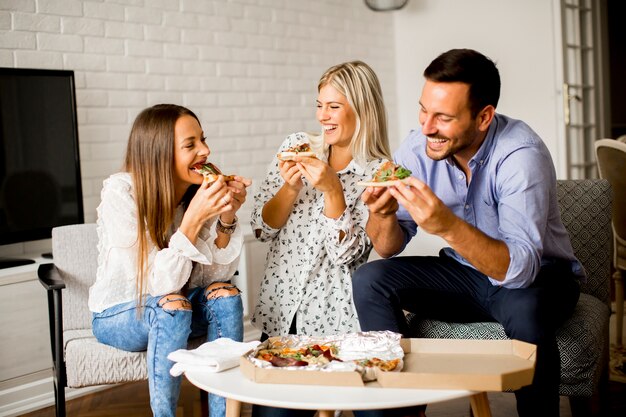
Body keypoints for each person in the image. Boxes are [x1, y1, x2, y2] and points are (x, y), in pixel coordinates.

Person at [352, 48, 583, 417]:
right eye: (423, 110)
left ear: (483, 117)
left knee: (525, 307)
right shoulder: (417, 148)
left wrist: (446, 224)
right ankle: (397, 408)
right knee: (370, 279)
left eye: (443, 117)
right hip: (465, 276)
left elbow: (520, 272)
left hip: (539, 280)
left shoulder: (521, 154)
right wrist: (383, 215)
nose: (427, 127)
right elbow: (387, 247)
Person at [88, 104, 251, 417]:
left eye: (202, 140)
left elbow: (212, 276)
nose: (205, 150)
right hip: (120, 312)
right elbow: (158, 285)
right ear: (159, 153)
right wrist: (191, 221)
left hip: (177, 305)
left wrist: (226, 217)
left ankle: (225, 414)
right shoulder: (121, 193)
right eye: (190, 145)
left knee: (226, 296)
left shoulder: (196, 191)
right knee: (171, 306)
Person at [250, 61, 392, 417]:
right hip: (282, 314)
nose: (322, 116)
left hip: (336, 320)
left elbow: (350, 256)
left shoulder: (378, 171)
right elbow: (260, 228)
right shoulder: (297, 146)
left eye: (333, 106)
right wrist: (290, 186)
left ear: (361, 108)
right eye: (319, 105)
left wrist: (333, 192)